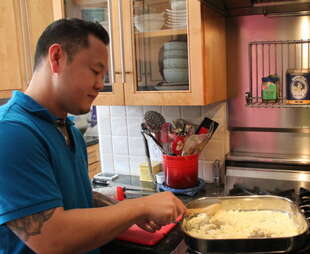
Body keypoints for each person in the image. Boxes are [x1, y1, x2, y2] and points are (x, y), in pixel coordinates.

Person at [0, 18, 186, 254]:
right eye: (95, 71)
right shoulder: (11, 132)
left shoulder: (69, 130)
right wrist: (139, 207)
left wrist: (127, 213)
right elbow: (51, 239)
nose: (100, 85)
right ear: (56, 58)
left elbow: (79, 199)